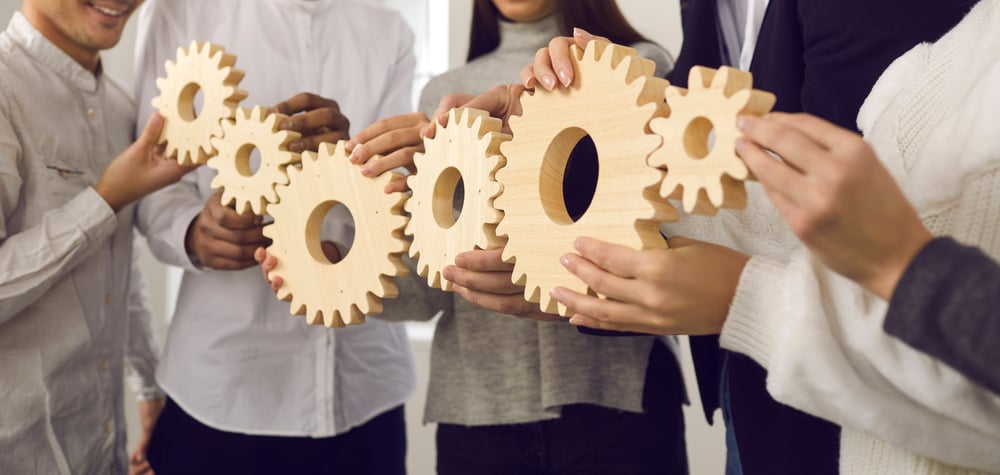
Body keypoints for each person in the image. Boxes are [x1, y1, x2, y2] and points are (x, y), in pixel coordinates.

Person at [444, 0, 984, 473]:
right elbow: (734, 190)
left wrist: (742, 300)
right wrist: (572, 167)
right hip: (753, 384)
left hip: (838, 408)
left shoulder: (956, 54)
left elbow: (903, 258)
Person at [309, 1, 689, 473]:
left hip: (617, 398)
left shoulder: (636, 62)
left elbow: (677, 236)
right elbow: (431, 288)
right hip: (478, 414)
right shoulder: (442, 94)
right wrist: (340, 262)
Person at [130, 1, 444, 473]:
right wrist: (194, 232)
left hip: (365, 395)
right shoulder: (179, 13)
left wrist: (348, 172)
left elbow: (399, 199)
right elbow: (149, 183)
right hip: (221, 396)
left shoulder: (389, 32)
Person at [0, 0, 192, 473]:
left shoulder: (122, 107)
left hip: (100, 447)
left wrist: (148, 388)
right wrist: (104, 199)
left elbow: (114, 264)